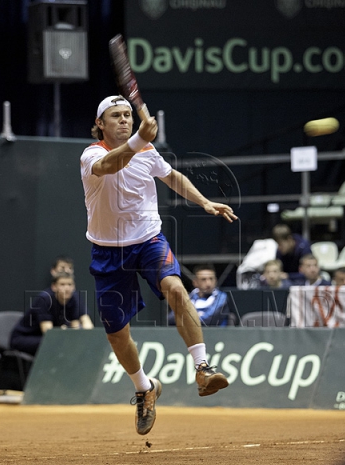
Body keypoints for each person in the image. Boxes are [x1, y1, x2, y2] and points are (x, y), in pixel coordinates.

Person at [80, 95, 236, 435]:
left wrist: (205, 201)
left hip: (149, 241)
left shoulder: (148, 152)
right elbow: (110, 166)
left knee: (177, 288)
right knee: (118, 336)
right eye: (115, 116)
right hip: (108, 252)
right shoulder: (92, 155)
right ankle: (144, 388)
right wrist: (139, 140)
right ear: (100, 125)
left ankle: (203, 368)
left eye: (127, 115)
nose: (124, 120)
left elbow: (173, 177)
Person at [10, 272, 94, 356]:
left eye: (70, 284)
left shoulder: (74, 297)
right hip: (24, 338)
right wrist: (67, 332)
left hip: (51, 338)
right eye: (62, 284)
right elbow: (48, 332)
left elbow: (87, 325)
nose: (67, 288)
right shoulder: (44, 299)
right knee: (57, 344)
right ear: (54, 287)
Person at [167, 265, 232, 326]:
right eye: (203, 279)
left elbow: (209, 320)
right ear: (195, 282)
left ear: (215, 281)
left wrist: (187, 317)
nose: (208, 283)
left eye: (211, 279)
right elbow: (171, 318)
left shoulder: (221, 297)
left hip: (215, 335)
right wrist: (197, 315)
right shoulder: (188, 298)